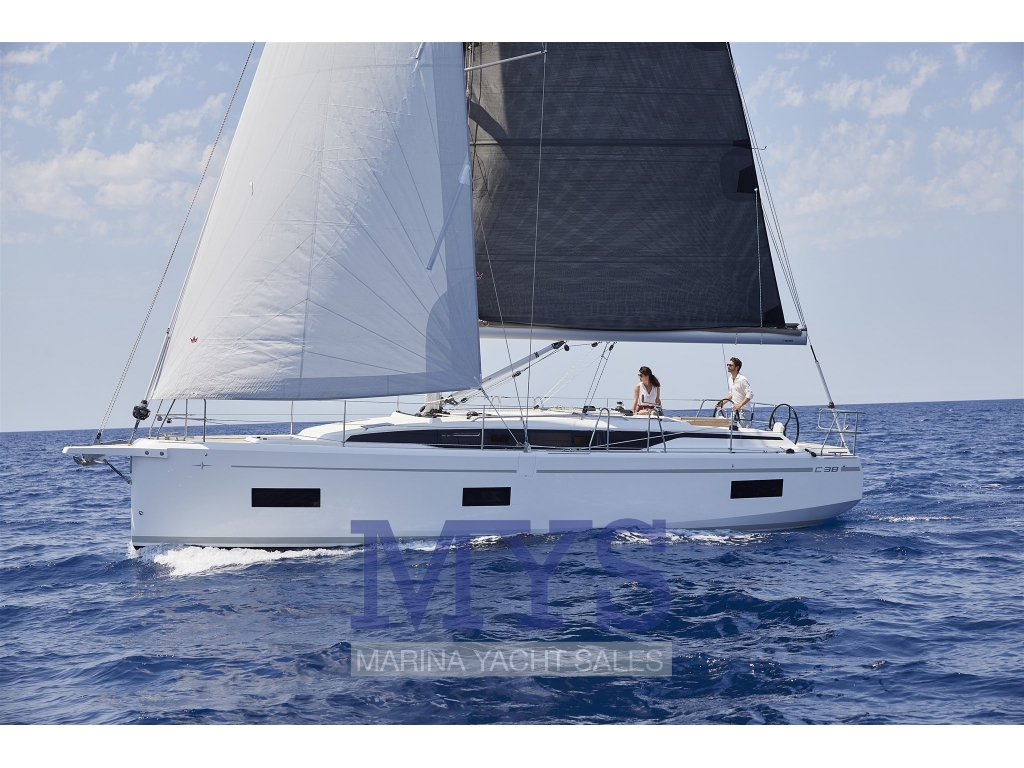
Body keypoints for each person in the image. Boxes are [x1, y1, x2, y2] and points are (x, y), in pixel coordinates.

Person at [716, 357, 753, 426]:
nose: (728, 366)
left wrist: (739, 405)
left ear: (737, 367)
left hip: (744, 411)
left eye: (730, 365)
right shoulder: (730, 379)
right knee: (732, 430)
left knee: (744, 431)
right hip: (734, 411)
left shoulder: (742, 379)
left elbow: (750, 394)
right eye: (728, 365)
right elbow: (731, 394)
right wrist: (722, 403)